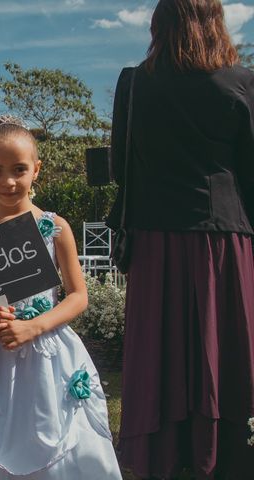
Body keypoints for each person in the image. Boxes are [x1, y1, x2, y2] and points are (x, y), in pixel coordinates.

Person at [107, 1, 254, 478]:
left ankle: (160, 457)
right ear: (216, 22)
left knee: (159, 352)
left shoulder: (134, 82)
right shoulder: (242, 82)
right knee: (220, 350)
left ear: (159, 25)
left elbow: (118, 166)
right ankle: (225, 455)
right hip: (225, 238)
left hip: (154, 238)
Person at [0, 122, 122, 479]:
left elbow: (78, 296)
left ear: (36, 169)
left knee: (48, 428)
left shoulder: (56, 227)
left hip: (46, 352)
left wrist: (34, 325)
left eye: (19, 169)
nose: (8, 181)